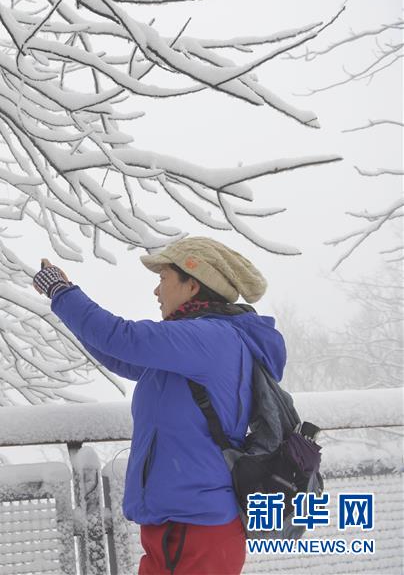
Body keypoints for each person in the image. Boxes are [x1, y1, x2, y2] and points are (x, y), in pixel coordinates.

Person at [33, 237, 287, 575]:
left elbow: (123, 338)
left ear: (193, 284)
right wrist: (63, 301)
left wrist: (63, 293)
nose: (157, 292)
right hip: (176, 523)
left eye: (163, 279)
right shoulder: (189, 344)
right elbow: (120, 353)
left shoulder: (210, 338)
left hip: (198, 528)